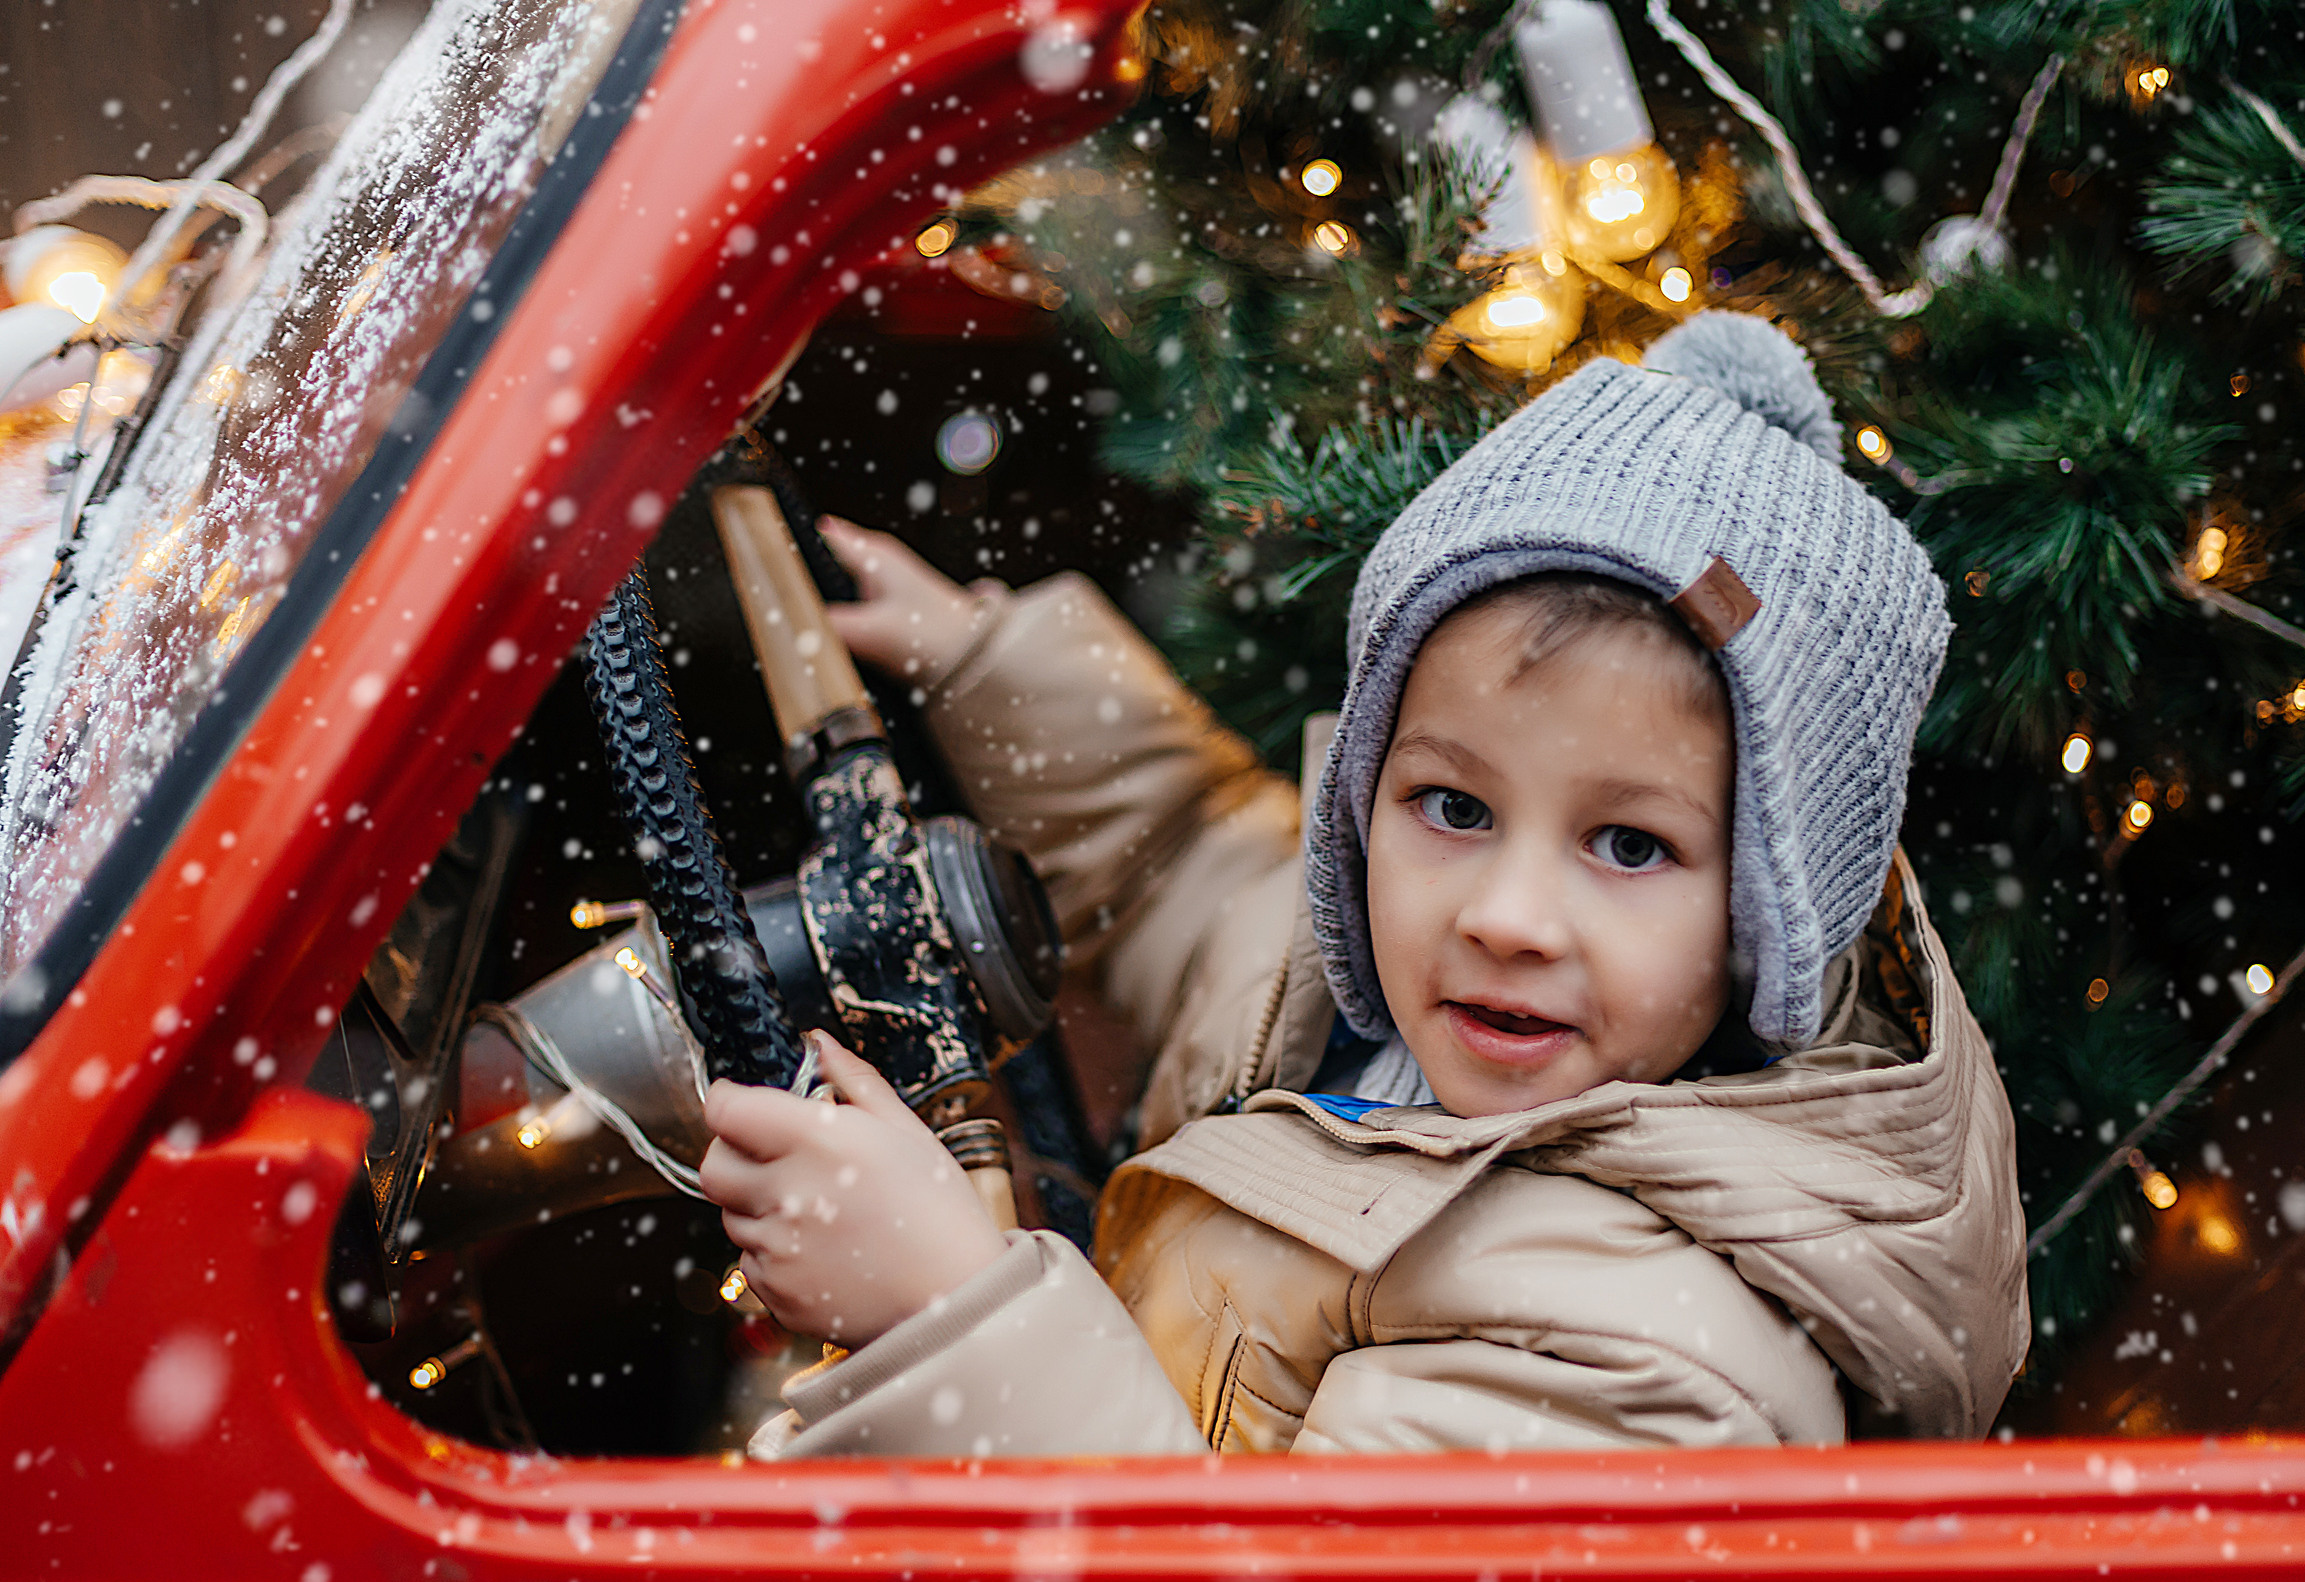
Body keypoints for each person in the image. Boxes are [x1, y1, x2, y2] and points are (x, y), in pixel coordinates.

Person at [699, 312, 2028, 1458]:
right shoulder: (1352, 990)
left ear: (1772, 912)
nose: (1503, 918)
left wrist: (947, 1308)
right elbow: (1185, 851)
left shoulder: (1648, 1357)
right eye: (1454, 806)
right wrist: (979, 658)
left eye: (1629, 846)